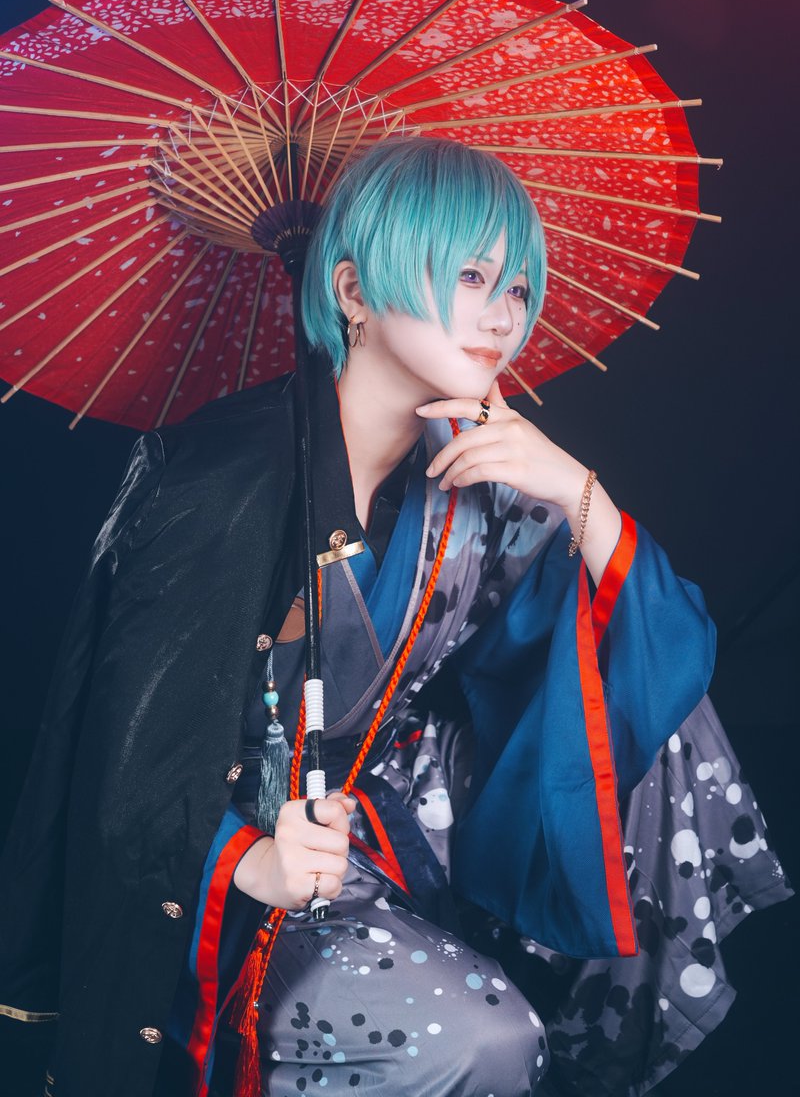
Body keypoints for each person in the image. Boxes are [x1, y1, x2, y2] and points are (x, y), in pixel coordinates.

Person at [0, 138, 791, 1097]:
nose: (504, 314)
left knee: (650, 707)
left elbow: (647, 650)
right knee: (480, 1042)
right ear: (353, 291)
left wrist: (580, 492)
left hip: (384, 811)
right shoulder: (220, 478)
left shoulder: (468, 469)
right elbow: (123, 763)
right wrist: (250, 862)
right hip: (227, 857)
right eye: (471, 275)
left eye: (517, 286)